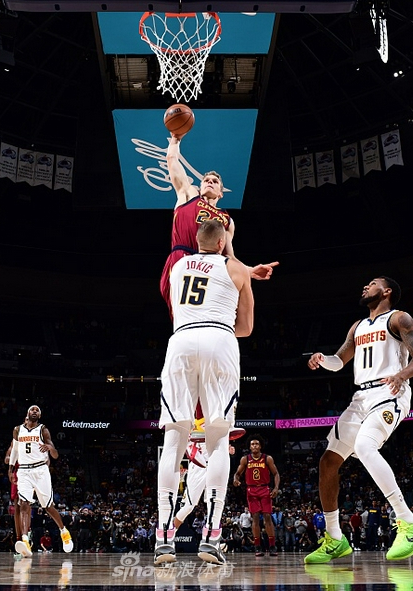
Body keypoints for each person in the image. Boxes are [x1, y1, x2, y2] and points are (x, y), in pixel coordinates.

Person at [305, 276, 413, 563]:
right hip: (360, 398)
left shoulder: (399, 318)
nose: (365, 286)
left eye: (372, 283)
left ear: (386, 291)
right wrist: (322, 358)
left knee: (364, 446)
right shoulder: (358, 326)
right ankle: (335, 538)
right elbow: (339, 361)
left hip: (389, 391)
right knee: (328, 462)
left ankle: (409, 521)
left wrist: (401, 375)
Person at [154, 219, 254, 566]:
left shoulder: (178, 266)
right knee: (217, 441)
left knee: (173, 441)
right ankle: (211, 538)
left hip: (181, 339)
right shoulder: (236, 268)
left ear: (197, 241)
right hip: (219, 339)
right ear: (223, 241)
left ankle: (163, 540)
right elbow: (246, 327)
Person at [160, 135, 277, 312]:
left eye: (215, 182)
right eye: (206, 180)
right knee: (182, 314)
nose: (210, 182)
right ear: (200, 187)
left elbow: (229, 256)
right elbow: (171, 159)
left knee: (204, 315)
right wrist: (176, 140)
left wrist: (249, 270)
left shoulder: (226, 220)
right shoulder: (188, 195)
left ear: (220, 193)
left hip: (209, 267)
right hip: (182, 258)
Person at [8, 405, 73, 557]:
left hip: (40, 470)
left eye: (37, 410)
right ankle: (25, 540)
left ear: (40, 415)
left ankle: (64, 531)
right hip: (24, 470)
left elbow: (55, 455)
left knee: (48, 506)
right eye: (32, 409)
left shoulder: (43, 430)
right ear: (27, 413)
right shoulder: (18, 430)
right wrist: (10, 469)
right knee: (24, 504)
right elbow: (15, 450)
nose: (35, 411)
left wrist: (49, 447)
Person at [232, 435, 280, 556]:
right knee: (255, 517)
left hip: (264, 488)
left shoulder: (267, 458)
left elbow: (276, 474)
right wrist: (235, 479)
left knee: (267, 517)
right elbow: (237, 473)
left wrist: (276, 488)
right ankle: (257, 546)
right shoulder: (245, 459)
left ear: (260, 446)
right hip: (251, 490)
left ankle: (272, 545)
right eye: (252, 444)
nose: (254, 446)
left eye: (257, 444)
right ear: (249, 447)